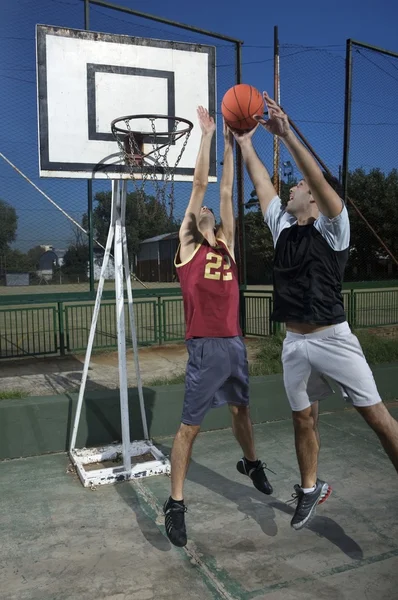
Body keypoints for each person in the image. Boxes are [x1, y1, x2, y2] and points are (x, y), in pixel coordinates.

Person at [233, 92, 398, 531]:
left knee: (379, 420)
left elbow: (319, 182)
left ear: (315, 196)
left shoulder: (334, 227)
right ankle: (310, 489)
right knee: (303, 419)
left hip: (334, 340)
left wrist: (287, 137)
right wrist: (245, 142)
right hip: (295, 343)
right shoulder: (284, 227)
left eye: (299, 185)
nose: (290, 186)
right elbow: (262, 184)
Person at [163, 106, 273, 547]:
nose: (207, 207)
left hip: (234, 344)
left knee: (241, 410)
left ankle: (250, 462)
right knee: (191, 427)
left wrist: (231, 139)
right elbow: (201, 184)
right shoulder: (189, 247)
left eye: (211, 209)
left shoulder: (225, 243)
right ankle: (175, 503)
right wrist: (207, 136)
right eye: (200, 209)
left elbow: (225, 187)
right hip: (206, 347)